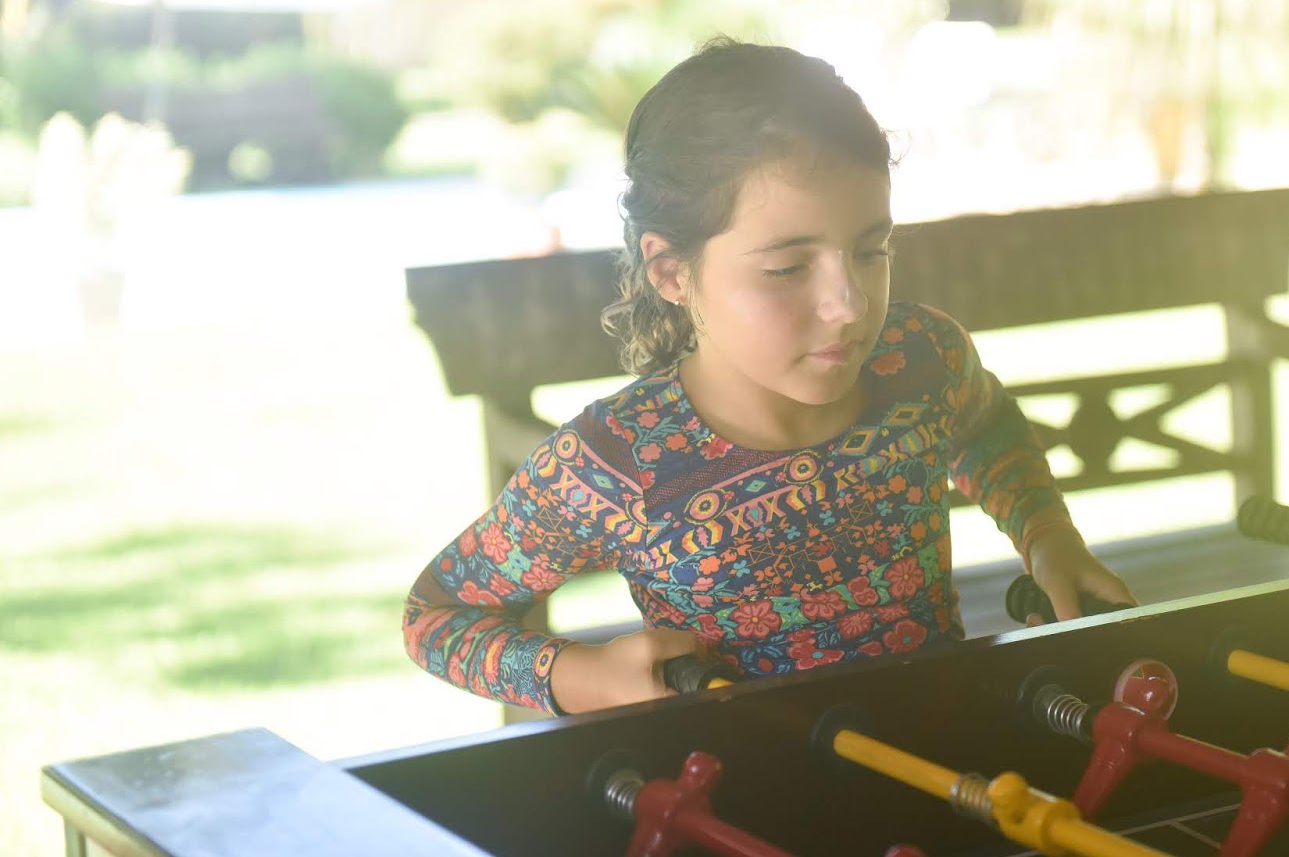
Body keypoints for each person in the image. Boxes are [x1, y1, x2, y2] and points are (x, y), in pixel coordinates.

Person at [402, 38, 1135, 716]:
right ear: (672, 271)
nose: (849, 305)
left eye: (871, 251)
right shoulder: (614, 463)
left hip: (949, 756)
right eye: (787, 268)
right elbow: (435, 616)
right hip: (742, 795)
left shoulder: (922, 359)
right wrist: (580, 676)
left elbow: (982, 423)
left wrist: (1046, 533)